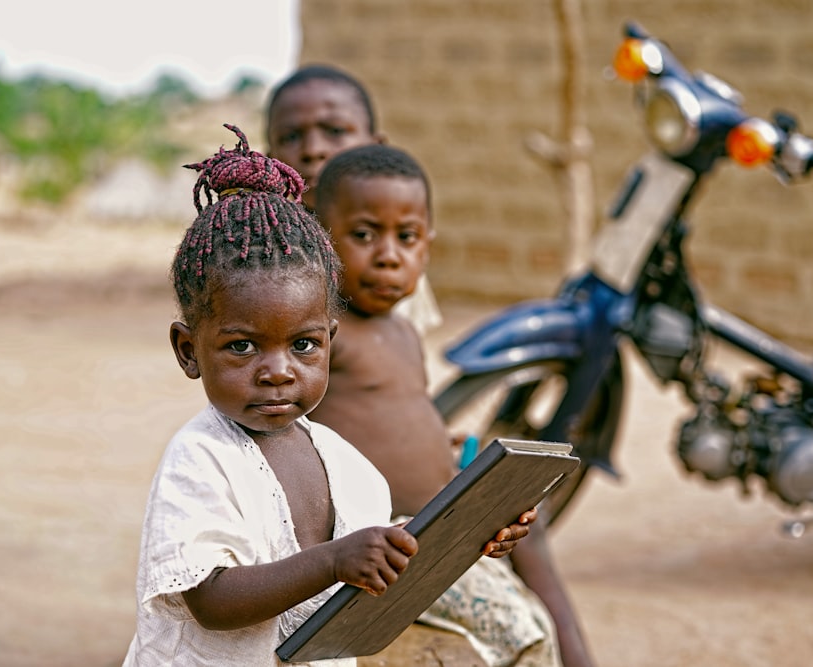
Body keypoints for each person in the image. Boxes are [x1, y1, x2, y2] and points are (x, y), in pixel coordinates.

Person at [122, 125, 535, 667]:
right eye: (242, 346)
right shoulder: (201, 459)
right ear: (188, 350)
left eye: (303, 345)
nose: (277, 372)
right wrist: (334, 560)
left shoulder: (346, 465)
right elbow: (212, 600)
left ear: (329, 343)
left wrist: (464, 534)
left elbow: (373, 566)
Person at [308, 144, 597, 667]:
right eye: (364, 235)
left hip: (435, 539)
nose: (389, 255)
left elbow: (395, 419)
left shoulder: (403, 335)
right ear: (321, 239)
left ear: (429, 246)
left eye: (407, 237)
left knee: (528, 620)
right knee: (525, 635)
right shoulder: (324, 333)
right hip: (379, 548)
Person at [265, 63, 442, 336]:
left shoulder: (393, 253)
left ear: (375, 147)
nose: (313, 150)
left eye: (335, 131)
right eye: (290, 137)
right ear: (269, 159)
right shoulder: (260, 257)